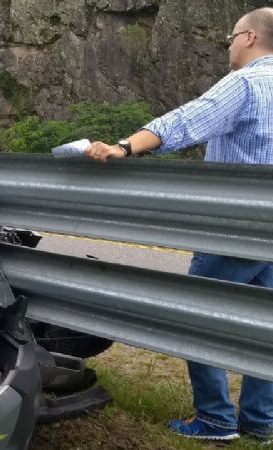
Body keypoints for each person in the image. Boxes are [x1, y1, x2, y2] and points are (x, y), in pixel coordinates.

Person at [84, 7, 273, 443]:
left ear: (248, 38)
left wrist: (124, 147)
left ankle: (216, 421)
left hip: (234, 229)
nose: (228, 45)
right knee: (265, 327)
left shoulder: (246, 83)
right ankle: (259, 422)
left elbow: (190, 119)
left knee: (194, 319)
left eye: (231, 37)